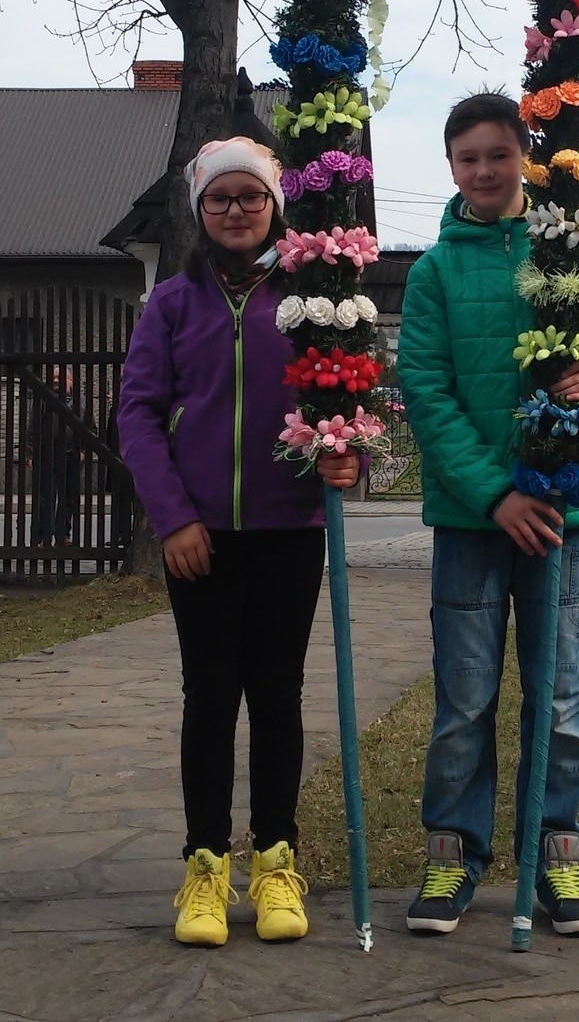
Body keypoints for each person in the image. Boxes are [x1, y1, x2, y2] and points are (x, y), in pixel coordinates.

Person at [397, 91, 579, 938]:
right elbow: (426, 393)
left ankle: (557, 853)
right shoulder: (434, 273)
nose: (485, 170)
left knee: (559, 697)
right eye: (469, 158)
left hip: (563, 517)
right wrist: (495, 495)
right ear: (453, 168)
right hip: (473, 520)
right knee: (464, 699)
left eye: (500, 154)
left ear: (523, 157)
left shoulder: (570, 249)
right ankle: (452, 855)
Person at [117, 138, 361, 948]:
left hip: (290, 530)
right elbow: (139, 417)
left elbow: (351, 394)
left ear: (275, 206)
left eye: (249, 198)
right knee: (209, 698)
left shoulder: (312, 298)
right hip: (201, 539)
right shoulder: (172, 305)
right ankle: (206, 867)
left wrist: (347, 449)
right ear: (198, 211)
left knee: (278, 695)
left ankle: (278, 861)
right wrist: (173, 519)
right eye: (219, 199)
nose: (234, 211)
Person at [26, 366, 79, 547]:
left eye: (60, 377)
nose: (55, 381)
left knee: (68, 497)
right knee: (45, 497)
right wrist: (30, 454)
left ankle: (62, 534)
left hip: (71, 455)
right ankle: (44, 535)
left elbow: (90, 428)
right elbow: (33, 429)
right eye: (54, 377)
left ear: (70, 381)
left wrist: (84, 453)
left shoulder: (81, 401)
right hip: (46, 454)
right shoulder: (43, 400)